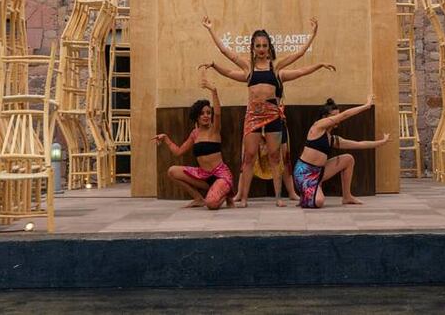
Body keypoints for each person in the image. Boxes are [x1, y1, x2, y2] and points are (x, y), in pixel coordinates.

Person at [202, 17, 335, 207]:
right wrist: (210, 30)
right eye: (258, 45)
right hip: (253, 116)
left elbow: (299, 57)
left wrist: (313, 36)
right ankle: (244, 198)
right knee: (249, 156)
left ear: (269, 47)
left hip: (272, 115)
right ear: (253, 48)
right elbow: (226, 52)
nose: (261, 49)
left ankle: (278, 197)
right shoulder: (248, 68)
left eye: (264, 45)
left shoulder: (276, 67)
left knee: (274, 156)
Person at [293, 95, 391, 209]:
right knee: (319, 202)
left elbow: (359, 144)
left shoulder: (333, 139)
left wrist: (382, 142)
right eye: (334, 116)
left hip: (319, 172)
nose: (337, 118)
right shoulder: (317, 127)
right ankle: (307, 194)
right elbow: (344, 115)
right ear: (324, 117)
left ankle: (347, 196)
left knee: (348, 159)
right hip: (304, 174)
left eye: (338, 115)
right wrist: (366, 106)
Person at [154, 77, 234, 210]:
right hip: (203, 176)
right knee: (172, 171)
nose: (206, 116)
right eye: (202, 113)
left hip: (220, 175)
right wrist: (166, 139)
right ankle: (198, 198)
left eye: (208, 113)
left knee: (211, 204)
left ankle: (225, 194)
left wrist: (213, 91)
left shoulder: (214, 130)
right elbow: (178, 152)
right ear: (197, 116)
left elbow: (218, 114)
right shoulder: (194, 134)